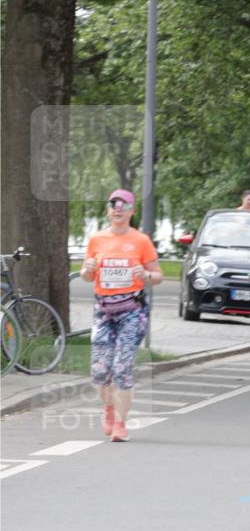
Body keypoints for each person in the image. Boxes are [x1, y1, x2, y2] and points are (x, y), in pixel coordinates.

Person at [80, 189, 163, 442]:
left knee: (122, 367)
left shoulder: (141, 240)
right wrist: (88, 269)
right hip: (103, 311)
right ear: (108, 209)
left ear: (131, 211)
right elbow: (86, 274)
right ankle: (108, 408)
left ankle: (120, 423)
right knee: (99, 371)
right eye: (113, 204)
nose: (118, 208)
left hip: (132, 311)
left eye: (123, 204)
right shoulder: (96, 240)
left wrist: (145, 276)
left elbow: (157, 275)